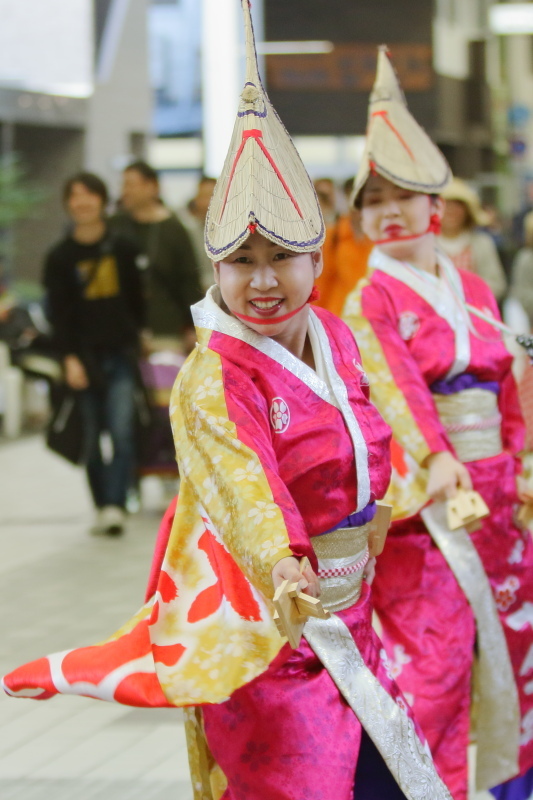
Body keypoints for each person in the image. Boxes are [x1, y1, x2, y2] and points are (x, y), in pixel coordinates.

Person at [2, 9, 452, 800]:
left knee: (390, 779)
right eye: (241, 261)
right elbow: (246, 486)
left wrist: (383, 504)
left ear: (316, 257)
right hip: (266, 628)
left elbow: (375, 433)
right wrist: (281, 561)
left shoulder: (335, 340)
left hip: (349, 619)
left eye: (280, 256)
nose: (263, 279)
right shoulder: (214, 374)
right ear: (214, 267)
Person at [343, 47, 533, 800]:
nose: (387, 210)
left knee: (514, 650)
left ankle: (506, 787)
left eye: (403, 194)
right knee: (436, 660)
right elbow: (392, 391)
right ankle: (434, 789)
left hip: (499, 500)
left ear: (435, 203)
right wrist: (435, 459)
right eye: (372, 199)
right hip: (432, 505)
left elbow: (510, 383)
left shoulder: (475, 284)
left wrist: (522, 465)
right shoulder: (370, 299)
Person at [43, 172, 145, 534]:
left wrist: (138, 338)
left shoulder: (124, 247)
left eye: (89, 195)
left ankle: (115, 504)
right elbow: (59, 314)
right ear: (68, 204)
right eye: (74, 196)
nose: (81, 202)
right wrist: (69, 358)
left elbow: (137, 300)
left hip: (119, 354)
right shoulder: (59, 257)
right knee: (88, 437)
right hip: (81, 359)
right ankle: (102, 503)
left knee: (121, 431)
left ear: (102, 201)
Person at [111, 160, 202, 350]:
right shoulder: (115, 226)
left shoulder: (173, 228)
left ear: (152, 186)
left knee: (165, 380)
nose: (125, 191)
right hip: (122, 333)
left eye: (130, 184)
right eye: (123, 185)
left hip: (166, 330)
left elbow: (189, 281)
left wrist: (193, 326)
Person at [438, 177, 507, 302]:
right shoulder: (426, 244)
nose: (451, 211)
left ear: (467, 211)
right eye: (446, 205)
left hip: (474, 312)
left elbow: (496, 284)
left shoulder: (482, 243)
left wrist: (471, 296)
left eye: (458, 205)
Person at [315, 177, 373, 316]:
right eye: (351, 198)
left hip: (372, 316)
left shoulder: (381, 236)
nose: (357, 206)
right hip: (340, 315)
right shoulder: (335, 234)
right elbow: (323, 280)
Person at [180, 175, 217, 294]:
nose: (207, 203)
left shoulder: (233, 231)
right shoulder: (185, 229)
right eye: (203, 197)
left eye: (212, 196)